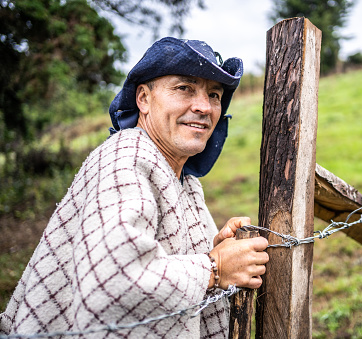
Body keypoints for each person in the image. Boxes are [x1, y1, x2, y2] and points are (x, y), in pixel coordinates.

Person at [0, 37, 269, 338]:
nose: (204, 107)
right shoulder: (125, 157)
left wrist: (216, 249)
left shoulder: (186, 181)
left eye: (215, 95)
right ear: (143, 99)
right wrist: (215, 267)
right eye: (184, 88)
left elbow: (163, 262)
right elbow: (113, 279)